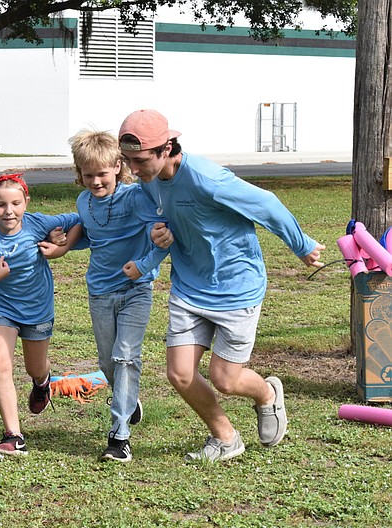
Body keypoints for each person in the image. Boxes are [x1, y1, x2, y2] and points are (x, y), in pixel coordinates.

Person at [117, 109, 325, 462]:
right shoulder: (149, 180)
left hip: (236, 286)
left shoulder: (206, 178)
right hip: (188, 285)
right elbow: (160, 211)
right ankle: (226, 437)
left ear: (166, 149)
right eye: (127, 161)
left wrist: (301, 245)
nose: (133, 170)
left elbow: (268, 205)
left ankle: (267, 395)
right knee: (180, 374)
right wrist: (158, 229)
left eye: (138, 161)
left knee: (226, 380)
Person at [44, 129, 170, 462]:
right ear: (79, 175)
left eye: (102, 173)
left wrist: (142, 266)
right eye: (88, 175)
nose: (96, 181)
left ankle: (119, 437)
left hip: (135, 290)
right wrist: (64, 240)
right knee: (107, 362)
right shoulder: (83, 202)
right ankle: (128, 399)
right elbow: (95, 235)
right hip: (99, 291)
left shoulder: (134, 197)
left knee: (126, 356)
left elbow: (158, 236)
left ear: (117, 166)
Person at [0, 173, 79, 456]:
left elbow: (78, 220)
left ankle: (42, 382)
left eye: (15, 203)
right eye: (0, 204)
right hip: (0, 309)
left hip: (37, 309)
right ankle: (13, 435)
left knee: (35, 368)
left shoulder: (38, 223)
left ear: (26, 202)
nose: (8, 211)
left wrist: (60, 245)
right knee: (0, 366)